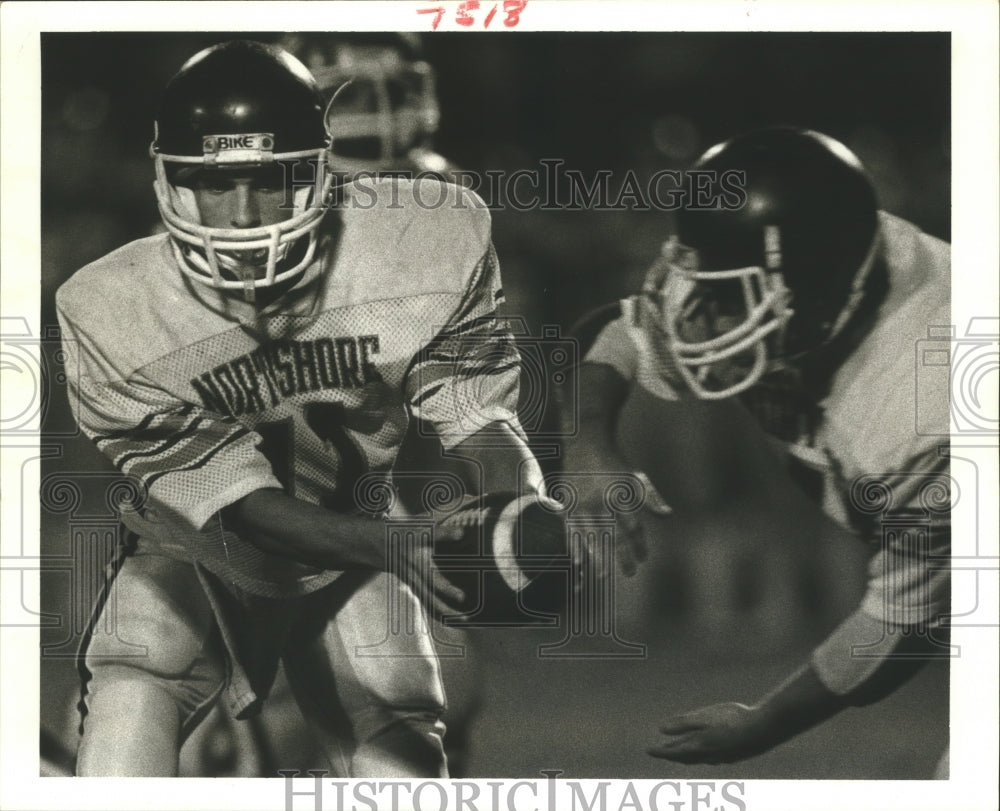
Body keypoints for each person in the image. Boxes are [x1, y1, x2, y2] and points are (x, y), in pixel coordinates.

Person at [56, 39, 544, 778]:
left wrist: (519, 507)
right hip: (200, 548)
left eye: (271, 180)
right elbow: (239, 503)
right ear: (170, 184)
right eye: (216, 184)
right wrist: (394, 548)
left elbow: (476, 414)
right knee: (137, 672)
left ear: (320, 171)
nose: (246, 215)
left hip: (356, 542)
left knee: (400, 722)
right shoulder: (110, 309)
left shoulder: (423, 240)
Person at [563, 128, 951, 768]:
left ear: (818, 297)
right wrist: (588, 444)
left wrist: (765, 722)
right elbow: (618, 332)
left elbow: (902, 626)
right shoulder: (830, 258)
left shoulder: (924, 411)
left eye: (725, 296)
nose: (700, 316)